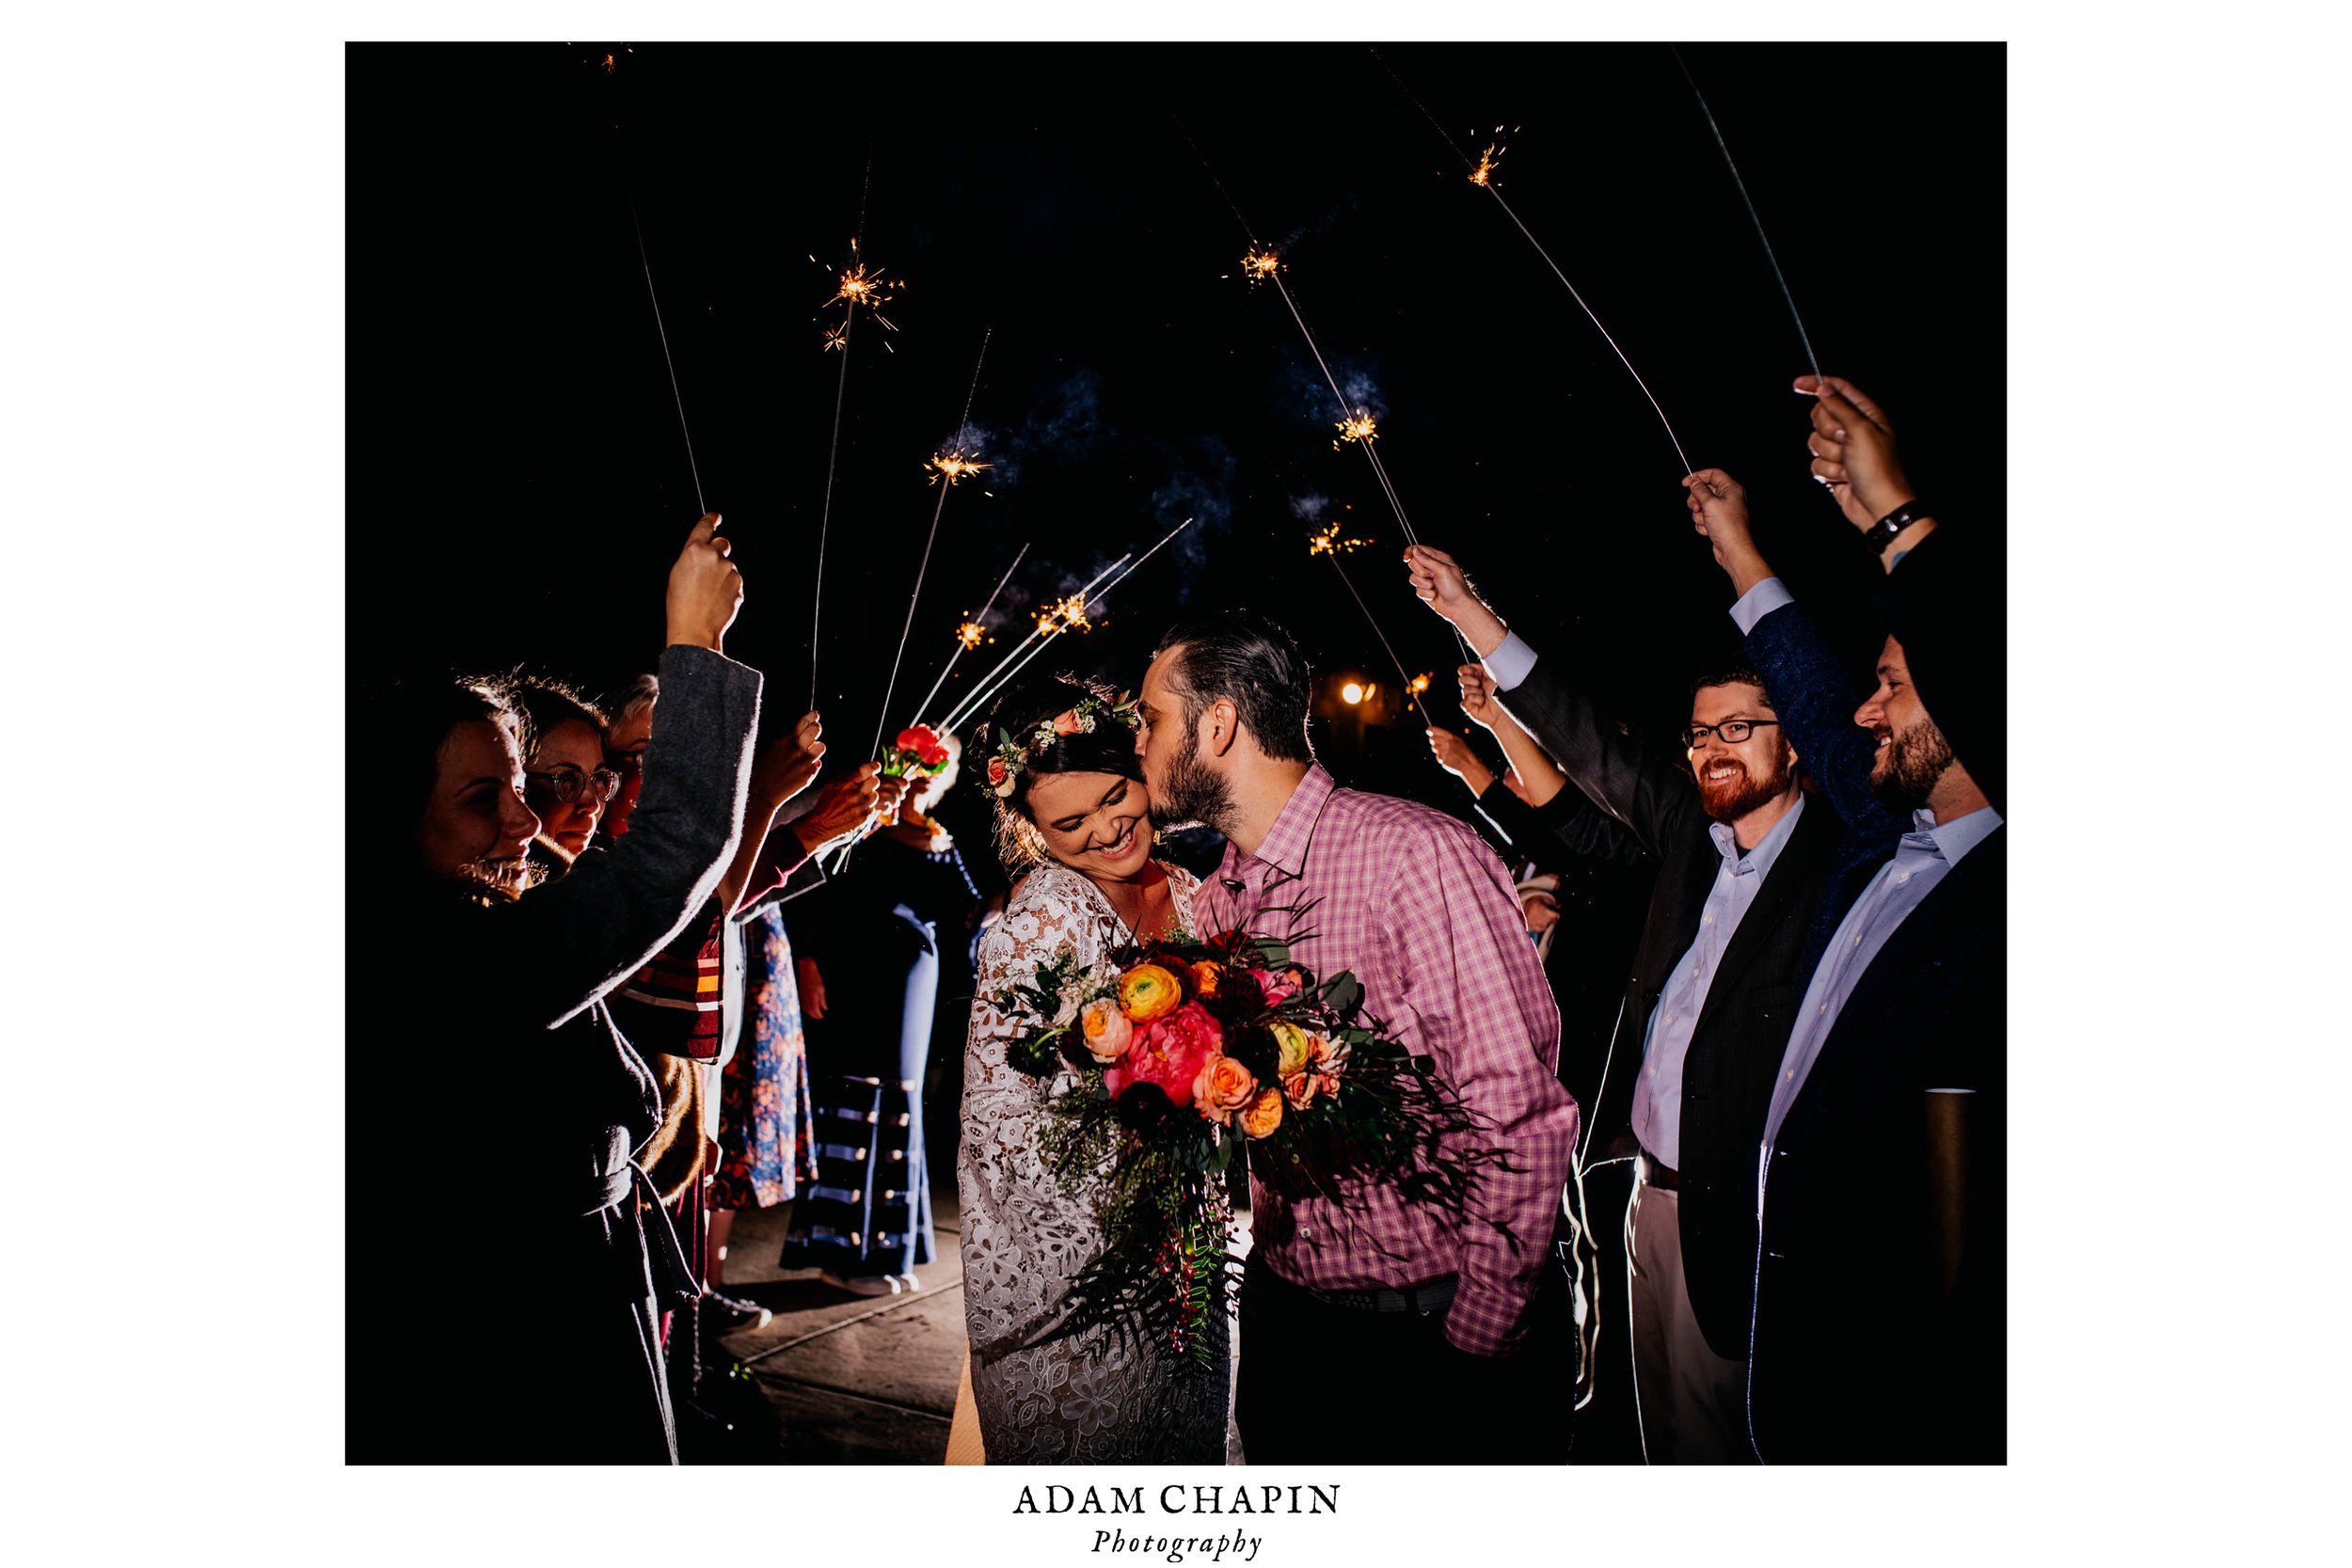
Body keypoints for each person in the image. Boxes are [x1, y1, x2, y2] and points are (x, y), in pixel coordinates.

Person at [1403, 540, 1866, 1464]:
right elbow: (1586, 751)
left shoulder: (1839, 869)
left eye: (1740, 726)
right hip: (1644, 1199)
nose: (1711, 746)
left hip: (1742, 1218)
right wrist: (1467, 615)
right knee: (1658, 1445)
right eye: (1700, 731)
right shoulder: (1694, 843)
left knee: (1730, 1455)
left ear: (1799, 739)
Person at [349, 513, 755, 1464]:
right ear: (390, 824)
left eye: (519, 784)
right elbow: (668, 860)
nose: (527, 819)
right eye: (482, 798)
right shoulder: (434, 959)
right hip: (521, 1333)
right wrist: (696, 644)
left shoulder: (483, 925)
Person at [1136, 609, 1579, 1465]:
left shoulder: (1413, 854)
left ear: (1218, 722)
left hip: (1434, 1332)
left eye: (1153, 718)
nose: (1141, 744)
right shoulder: (1219, 902)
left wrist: (1477, 1343)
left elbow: (1518, 1112)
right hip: (1291, 1327)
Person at [1686, 457, 2004, 1463]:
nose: (1867, 710)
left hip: (1898, 1399)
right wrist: (1737, 547)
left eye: (1895, 687)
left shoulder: (1998, 912)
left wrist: (1898, 519)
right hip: (1789, 1347)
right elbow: (1816, 697)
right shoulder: (1883, 837)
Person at [957, 673, 1230, 1464]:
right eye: (1070, 822)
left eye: (1117, 796)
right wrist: (1132, 1156)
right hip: (1074, 1286)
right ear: (1033, 828)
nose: (1108, 830)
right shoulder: (1037, 920)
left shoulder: (1188, 889)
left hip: (1186, 1243)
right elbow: (999, 1126)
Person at [781, 738, 977, 1296]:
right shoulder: (862, 829)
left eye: (931, 772)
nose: (919, 780)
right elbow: (814, 893)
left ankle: (887, 1252)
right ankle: (841, 1256)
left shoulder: (939, 839)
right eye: (913, 767)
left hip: (915, 983)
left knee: (899, 1099)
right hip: (858, 975)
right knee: (857, 1096)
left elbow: (965, 913)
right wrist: (808, 959)